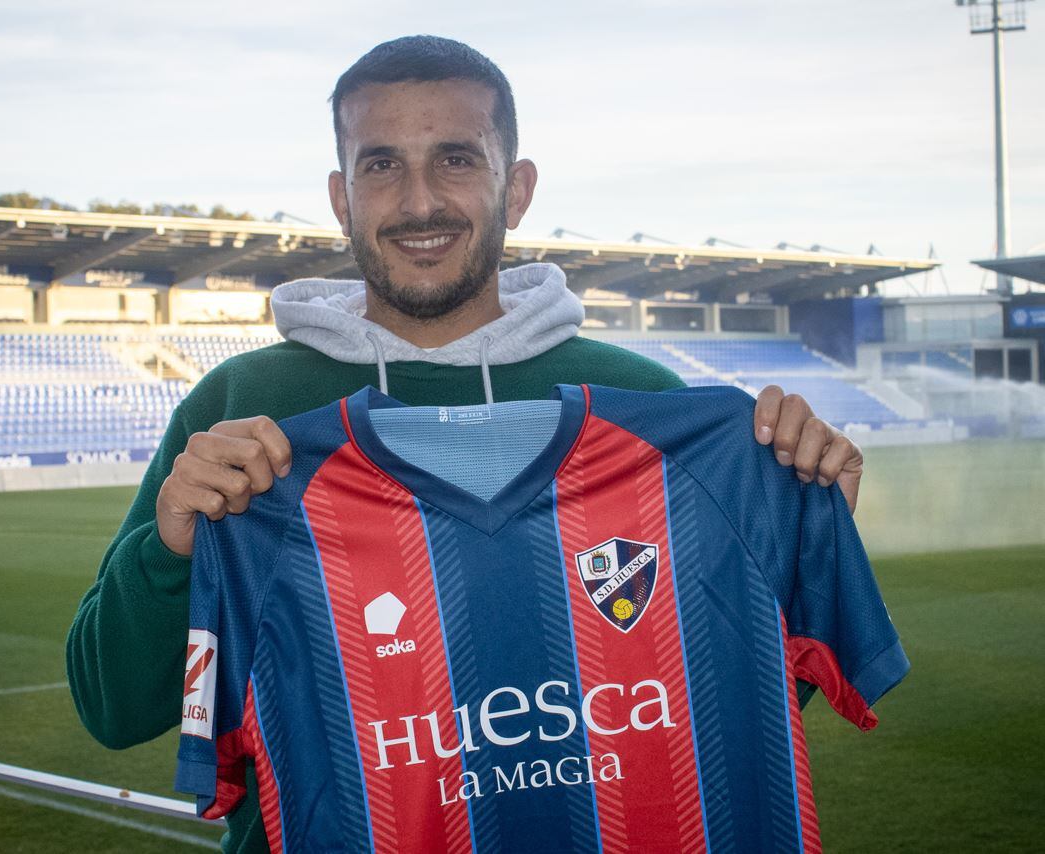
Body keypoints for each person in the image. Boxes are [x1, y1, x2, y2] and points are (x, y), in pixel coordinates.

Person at [67, 35, 864, 852]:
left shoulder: (645, 408)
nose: (418, 204)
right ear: (342, 198)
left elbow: (722, 710)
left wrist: (798, 537)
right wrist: (170, 553)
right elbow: (114, 708)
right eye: (381, 166)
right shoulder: (240, 408)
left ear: (514, 188)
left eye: (454, 160)